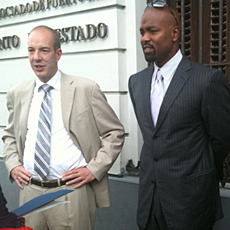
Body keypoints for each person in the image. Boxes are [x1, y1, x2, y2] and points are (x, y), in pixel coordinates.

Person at [2, 25, 125, 230]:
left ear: (58, 53)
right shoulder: (18, 93)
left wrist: (94, 169)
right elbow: (10, 136)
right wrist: (13, 164)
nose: (36, 57)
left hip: (70, 192)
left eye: (44, 50)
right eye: (31, 50)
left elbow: (114, 133)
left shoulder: (86, 89)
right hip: (30, 192)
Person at [128, 2, 230, 230]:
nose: (145, 37)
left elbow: (221, 141)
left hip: (190, 203)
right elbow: (152, 137)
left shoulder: (206, 80)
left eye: (153, 31)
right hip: (149, 201)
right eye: (142, 32)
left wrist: (192, 171)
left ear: (175, 33)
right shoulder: (136, 82)